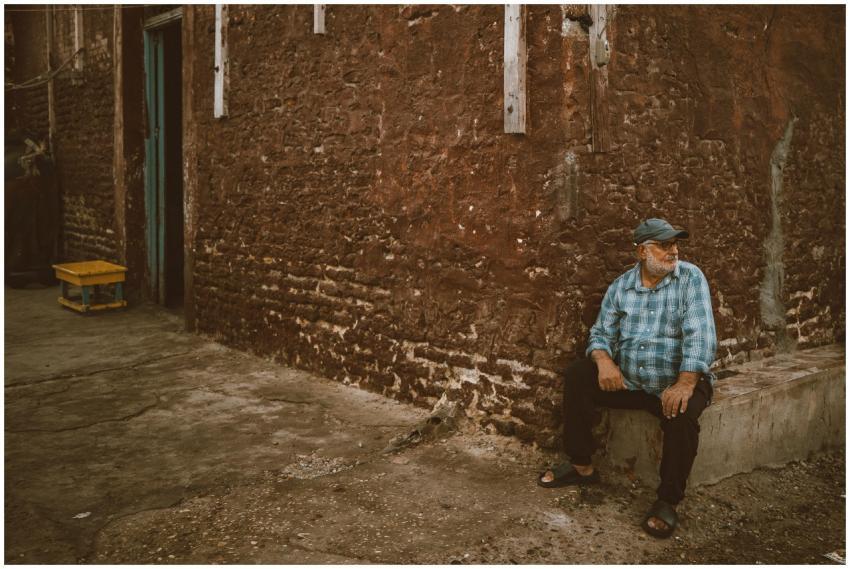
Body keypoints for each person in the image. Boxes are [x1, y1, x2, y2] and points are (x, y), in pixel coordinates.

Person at [537, 218, 717, 539]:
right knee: (579, 375)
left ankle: (667, 500)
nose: (673, 251)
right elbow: (600, 333)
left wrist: (686, 383)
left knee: (682, 415)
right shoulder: (621, 287)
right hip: (631, 381)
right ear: (641, 251)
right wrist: (604, 361)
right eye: (664, 245)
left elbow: (700, 336)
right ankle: (581, 466)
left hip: (675, 380)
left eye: (675, 244)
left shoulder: (690, 279)